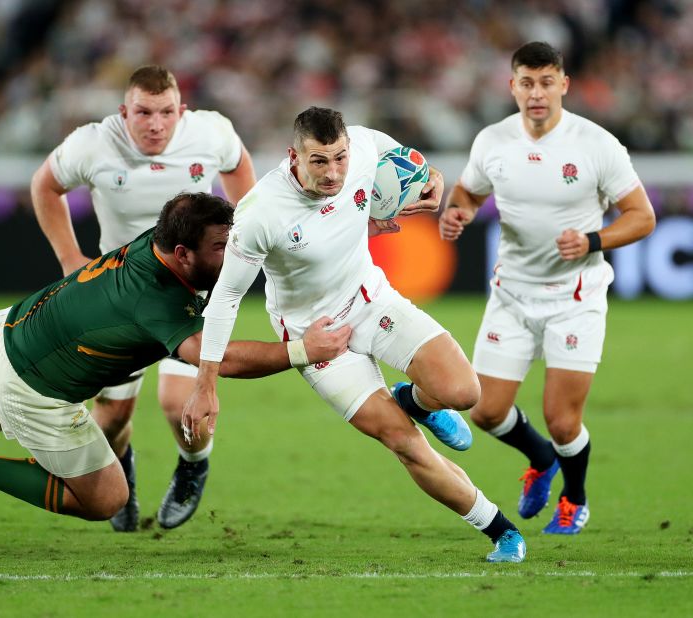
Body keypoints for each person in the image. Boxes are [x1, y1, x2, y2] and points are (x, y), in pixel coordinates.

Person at [0, 193, 350, 553]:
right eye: (222, 247)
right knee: (105, 498)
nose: (235, 256)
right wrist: (304, 349)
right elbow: (221, 358)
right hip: (34, 386)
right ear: (182, 253)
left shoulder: (157, 241)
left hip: (14, 331)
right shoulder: (157, 299)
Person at [183, 107, 527, 563]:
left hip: (372, 300)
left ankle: (414, 401)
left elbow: (405, 159)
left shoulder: (364, 143)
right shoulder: (261, 212)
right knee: (404, 443)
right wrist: (205, 385)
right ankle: (501, 530)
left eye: (340, 158)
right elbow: (226, 299)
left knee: (463, 392)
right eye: (319, 161)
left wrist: (433, 176)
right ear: (295, 156)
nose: (334, 172)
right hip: (317, 337)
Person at [440, 42, 656, 534]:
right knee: (486, 411)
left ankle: (575, 498)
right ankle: (541, 459)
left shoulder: (596, 145)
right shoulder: (493, 141)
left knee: (562, 422)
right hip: (512, 294)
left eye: (546, 82)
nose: (536, 93)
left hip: (573, 299)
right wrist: (459, 213)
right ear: (512, 86)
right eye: (526, 83)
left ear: (564, 85)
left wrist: (592, 240)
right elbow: (468, 192)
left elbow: (642, 217)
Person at [30, 65, 257, 531]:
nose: (156, 123)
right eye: (144, 112)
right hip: (117, 298)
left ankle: (194, 466)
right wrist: (70, 256)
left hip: (187, 291)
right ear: (124, 112)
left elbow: (239, 166)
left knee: (178, 403)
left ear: (182, 110)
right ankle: (121, 473)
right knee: (111, 416)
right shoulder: (92, 143)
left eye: (167, 112)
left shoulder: (210, 132)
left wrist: (244, 234)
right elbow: (44, 185)